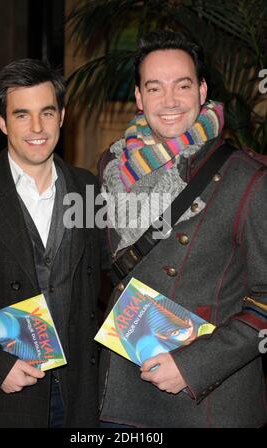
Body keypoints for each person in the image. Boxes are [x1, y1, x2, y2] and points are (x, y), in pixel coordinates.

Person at [98, 30, 267, 428]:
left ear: (202, 90)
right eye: (154, 88)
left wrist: (193, 366)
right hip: (121, 390)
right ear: (139, 97)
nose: (169, 101)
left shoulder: (247, 177)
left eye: (183, 85)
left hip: (203, 400)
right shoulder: (113, 166)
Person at [0, 59, 107, 428]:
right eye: (21, 115)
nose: (36, 128)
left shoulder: (90, 189)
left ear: (62, 115)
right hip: (2, 396)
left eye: (46, 113)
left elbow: (116, 269)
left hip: (79, 394)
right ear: (2, 122)